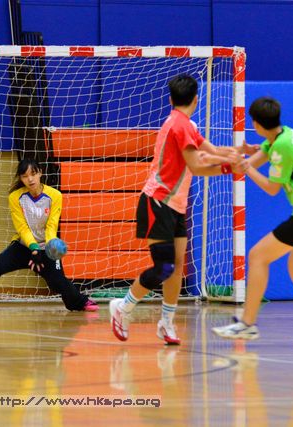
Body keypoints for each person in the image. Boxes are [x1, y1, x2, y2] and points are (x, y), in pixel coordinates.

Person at [109, 74, 242, 345]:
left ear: (171, 99)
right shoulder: (180, 126)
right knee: (164, 267)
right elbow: (197, 166)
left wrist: (235, 153)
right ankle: (122, 308)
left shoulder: (185, 124)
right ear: (196, 100)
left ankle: (167, 323)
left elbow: (210, 149)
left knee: (177, 266)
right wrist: (230, 168)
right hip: (158, 202)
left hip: (176, 206)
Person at [212, 96, 293, 345]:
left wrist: (245, 168)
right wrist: (240, 157)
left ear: (256, 124)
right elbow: (252, 160)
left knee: (258, 256)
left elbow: (271, 188)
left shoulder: (283, 147)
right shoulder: (283, 135)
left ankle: (247, 324)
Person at [0, 158, 98, 313]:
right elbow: (22, 228)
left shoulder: (55, 195)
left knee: (58, 282)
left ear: (40, 173)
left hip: (47, 247)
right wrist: (34, 248)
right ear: (21, 178)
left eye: (33, 174)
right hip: (23, 246)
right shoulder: (15, 197)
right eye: (25, 176)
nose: (30, 179)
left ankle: (79, 303)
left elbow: (52, 226)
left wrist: (49, 247)